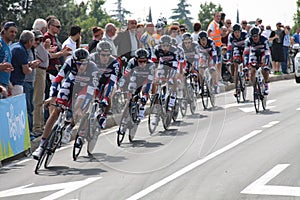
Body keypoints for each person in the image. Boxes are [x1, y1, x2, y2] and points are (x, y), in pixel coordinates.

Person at [32, 48, 99, 159]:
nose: (81, 67)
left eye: (84, 64)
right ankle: (41, 146)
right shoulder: (69, 62)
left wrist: (80, 108)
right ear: (74, 61)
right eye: (78, 64)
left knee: (79, 107)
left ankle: (70, 128)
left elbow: (90, 93)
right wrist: (53, 96)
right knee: (56, 112)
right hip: (71, 84)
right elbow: (58, 79)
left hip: (85, 89)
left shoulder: (93, 68)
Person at [89, 41, 120, 129]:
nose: (106, 57)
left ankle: (104, 115)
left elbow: (112, 81)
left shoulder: (114, 62)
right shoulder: (92, 58)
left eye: (108, 55)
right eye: (103, 55)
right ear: (98, 53)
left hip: (108, 81)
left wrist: (106, 97)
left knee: (109, 94)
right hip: (95, 79)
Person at [119, 48, 155, 120]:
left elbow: (149, 81)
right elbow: (125, 75)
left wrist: (145, 94)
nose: (142, 64)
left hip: (146, 80)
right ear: (136, 60)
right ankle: (128, 106)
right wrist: (120, 87)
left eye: (144, 61)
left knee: (145, 92)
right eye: (140, 61)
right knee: (130, 90)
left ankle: (142, 109)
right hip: (135, 78)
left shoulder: (151, 64)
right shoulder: (132, 62)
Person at [151, 35, 179, 122]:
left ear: (170, 45)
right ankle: (156, 101)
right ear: (160, 45)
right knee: (156, 80)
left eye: (167, 46)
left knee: (173, 79)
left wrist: (170, 77)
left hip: (172, 66)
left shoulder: (174, 50)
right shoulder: (156, 49)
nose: (165, 48)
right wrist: (155, 76)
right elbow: (154, 64)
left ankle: (173, 97)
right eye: (163, 46)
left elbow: (175, 66)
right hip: (162, 65)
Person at [32, 19, 50, 136]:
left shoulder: (37, 39)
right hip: (38, 71)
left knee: (39, 99)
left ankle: (39, 125)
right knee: (37, 100)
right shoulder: (35, 38)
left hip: (42, 71)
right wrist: (46, 48)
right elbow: (44, 56)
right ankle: (37, 127)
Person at [10, 30, 40, 96]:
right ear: (29, 41)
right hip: (16, 83)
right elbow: (26, 71)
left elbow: (18, 63)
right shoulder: (21, 50)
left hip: (10, 81)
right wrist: (32, 67)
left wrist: (29, 63)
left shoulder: (14, 46)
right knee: (18, 105)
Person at [243, 26, 271, 95]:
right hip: (254, 53)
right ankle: (255, 88)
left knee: (265, 69)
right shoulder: (248, 40)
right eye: (253, 36)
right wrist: (246, 65)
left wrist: (266, 64)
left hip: (263, 53)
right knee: (252, 71)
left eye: (256, 36)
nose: (255, 38)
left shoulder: (264, 39)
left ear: (259, 35)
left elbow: (267, 52)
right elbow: (246, 53)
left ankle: (266, 85)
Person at [226, 23, 248, 96]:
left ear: (241, 31)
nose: (237, 34)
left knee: (245, 57)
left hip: (245, 48)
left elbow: (249, 46)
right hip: (236, 49)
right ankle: (236, 88)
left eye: (238, 32)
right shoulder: (231, 36)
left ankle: (246, 72)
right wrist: (229, 59)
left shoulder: (245, 34)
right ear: (233, 32)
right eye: (235, 32)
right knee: (235, 66)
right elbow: (229, 48)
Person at [0, 21, 17, 95]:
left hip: (4, 83)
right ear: (4, 31)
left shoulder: (8, 47)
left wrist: (9, 83)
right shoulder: (0, 44)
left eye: (15, 32)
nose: (13, 34)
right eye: (11, 31)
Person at [207, 12, 223, 85]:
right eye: (217, 16)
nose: (218, 18)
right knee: (216, 63)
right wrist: (209, 41)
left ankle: (219, 78)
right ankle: (215, 81)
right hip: (214, 46)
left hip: (218, 45)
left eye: (219, 16)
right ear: (214, 17)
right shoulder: (213, 24)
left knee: (219, 63)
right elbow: (209, 31)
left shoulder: (217, 24)